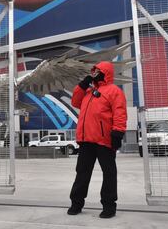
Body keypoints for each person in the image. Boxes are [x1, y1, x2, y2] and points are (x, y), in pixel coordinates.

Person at [67, 61, 127, 219]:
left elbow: (120, 112)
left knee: (109, 173)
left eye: (97, 71)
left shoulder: (114, 91)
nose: (93, 74)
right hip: (86, 140)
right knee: (82, 173)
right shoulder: (88, 91)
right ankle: (76, 203)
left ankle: (109, 206)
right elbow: (75, 102)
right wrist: (82, 86)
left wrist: (118, 133)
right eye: (93, 72)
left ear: (105, 72)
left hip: (104, 140)